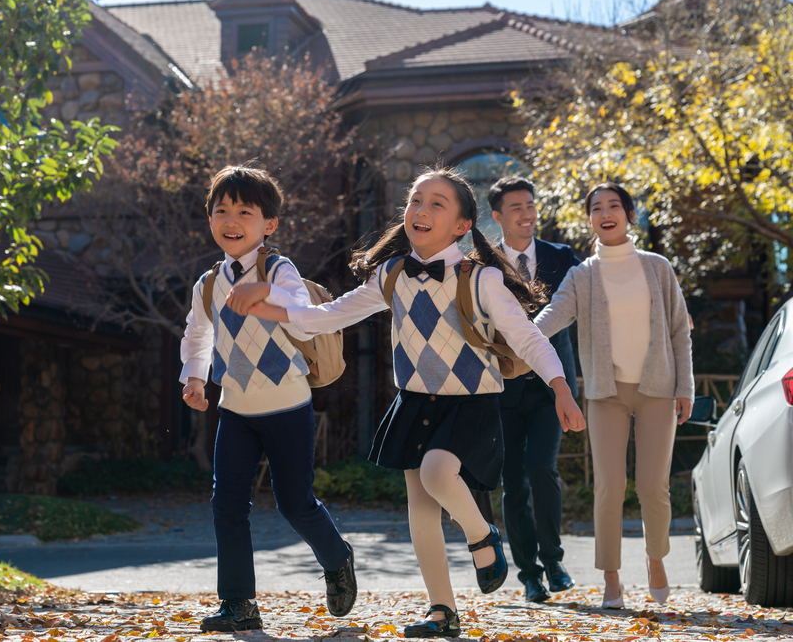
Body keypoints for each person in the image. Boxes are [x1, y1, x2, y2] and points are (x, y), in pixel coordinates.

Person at [228, 167, 585, 638]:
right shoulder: (391, 274)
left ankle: (482, 534)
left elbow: (529, 339)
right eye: (416, 200)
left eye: (437, 203)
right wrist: (266, 299)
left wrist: (560, 387)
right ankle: (442, 611)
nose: (421, 210)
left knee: (439, 473)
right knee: (420, 511)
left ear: (462, 225)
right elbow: (325, 316)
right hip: (416, 403)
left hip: (472, 404)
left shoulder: (482, 280)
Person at [180, 166, 357, 632]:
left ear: (269, 225)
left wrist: (268, 292)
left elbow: (305, 317)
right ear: (210, 219)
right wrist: (195, 379)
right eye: (221, 210)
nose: (231, 219)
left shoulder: (279, 269)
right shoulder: (208, 284)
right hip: (235, 410)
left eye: (244, 211)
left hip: (288, 408)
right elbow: (198, 335)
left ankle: (337, 557)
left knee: (295, 503)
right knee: (227, 505)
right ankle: (239, 604)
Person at [533, 182, 694, 609]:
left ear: (629, 214)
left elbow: (680, 329)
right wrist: (514, 335)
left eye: (614, 206)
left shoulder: (657, 267)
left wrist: (685, 387)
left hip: (658, 388)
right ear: (589, 220)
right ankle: (611, 580)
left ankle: (656, 561)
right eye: (597, 208)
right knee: (609, 485)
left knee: (653, 485)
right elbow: (552, 316)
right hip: (606, 393)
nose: (606, 213)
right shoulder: (581, 274)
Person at [487, 176, 581, 603]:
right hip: (501, 390)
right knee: (513, 481)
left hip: (551, 387)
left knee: (542, 469)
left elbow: (599, 297)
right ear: (497, 217)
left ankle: (554, 559)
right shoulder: (482, 265)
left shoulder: (563, 258)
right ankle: (529, 574)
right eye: (517, 208)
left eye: (530, 206)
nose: (527, 214)